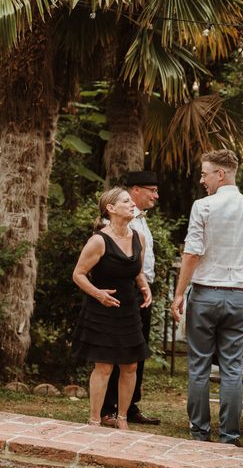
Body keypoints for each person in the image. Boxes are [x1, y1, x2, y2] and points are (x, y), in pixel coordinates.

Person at [171, 149, 243, 444]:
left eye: (205, 173)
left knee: (199, 365)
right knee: (231, 368)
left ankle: (200, 432)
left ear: (221, 174)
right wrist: (242, 268)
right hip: (237, 298)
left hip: (204, 295)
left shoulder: (203, 207)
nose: (202, 180)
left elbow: (191, 253)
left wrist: (179, 294)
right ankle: (229, 435)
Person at [72, 187, 151, 430]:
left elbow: (135, 269)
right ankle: (95, 419)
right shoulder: (98, 240)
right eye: (126, 201)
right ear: (111, 208)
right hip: (101, 310)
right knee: (104, 366)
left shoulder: (139, 237)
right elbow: (78, 274)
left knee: (131, 365)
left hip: (129, 309)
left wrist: (144, 285)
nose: (132, 204)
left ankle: (123, 418)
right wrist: (98, 294)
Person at [101, 172, 161, 427]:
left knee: (137, 351)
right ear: (136, 190)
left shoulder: (141, 221)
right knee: (116, 351)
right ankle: (108, 407)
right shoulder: (120, 220)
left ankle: (130, 405)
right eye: (152, 190)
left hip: (141, 288)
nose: (156, 196)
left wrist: (146, 286)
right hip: (125, 290)